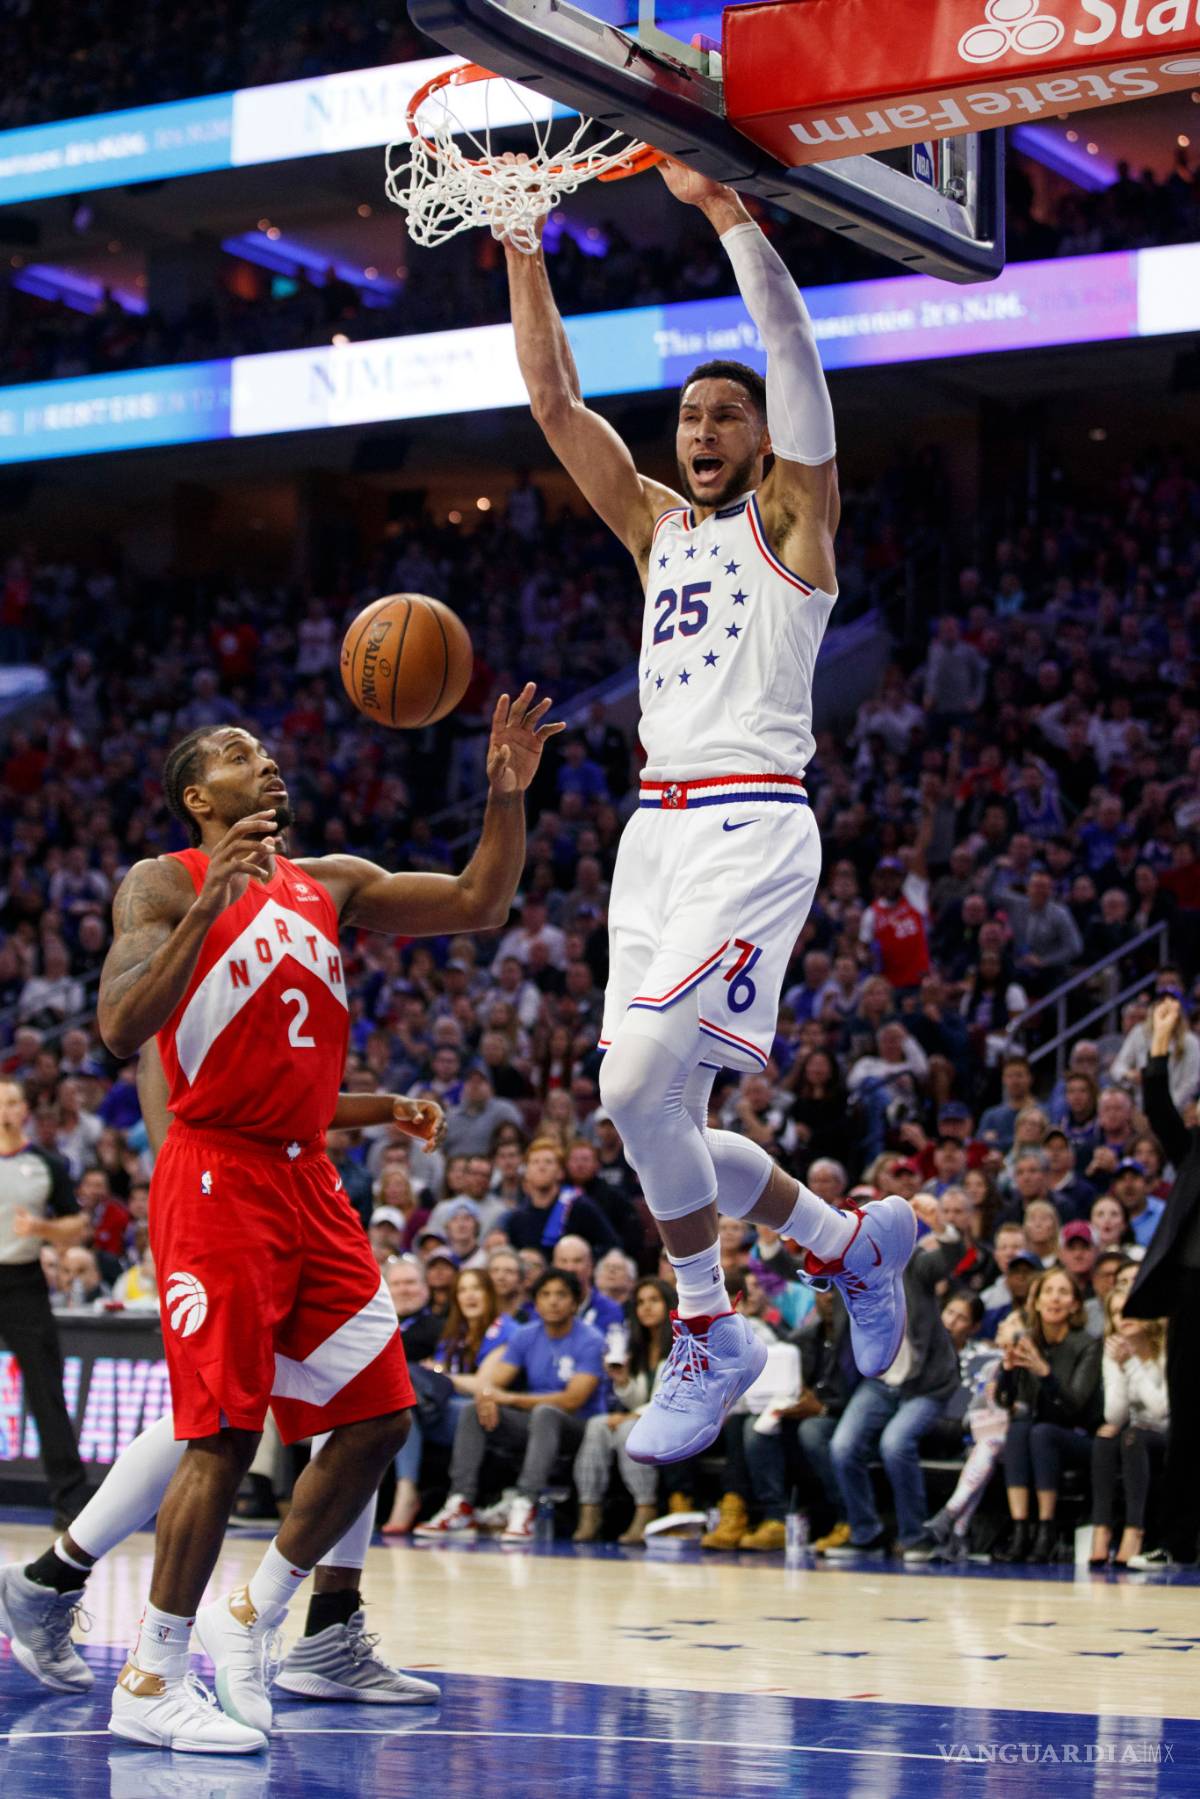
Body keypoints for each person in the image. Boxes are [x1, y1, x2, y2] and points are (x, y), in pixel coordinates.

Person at [503, 155, 915, 1469]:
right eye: (688, 414)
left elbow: (793, 343)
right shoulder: (654, 528)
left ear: (762, 439)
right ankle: (851, 1239)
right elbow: (555, 399)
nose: (700, 429)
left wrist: (727, 212)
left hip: (749, 822)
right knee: (646, 1110)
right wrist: (523, 243)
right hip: (654, 836)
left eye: (724, 415)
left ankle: (709, 1326)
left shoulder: (795, 522)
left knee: (634, 1079)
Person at [80, 695, 561, 1754]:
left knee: (383, 1411)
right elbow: (120, 1027)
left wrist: (505, 794)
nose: (270, 764)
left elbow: (482, 901)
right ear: (201, 795)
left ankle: (256, 1614)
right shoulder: (163, 882)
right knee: (220, 1434)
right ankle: (152, 1672)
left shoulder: (332, 882)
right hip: (216, 1178)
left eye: (269, 751)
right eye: (242, 756)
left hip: (308, 1180)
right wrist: (208, 915)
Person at [0, 1048, 447, 1708]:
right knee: (220, 1418)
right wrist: (181, 1170)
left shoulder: (303, 959)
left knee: (368, 1397)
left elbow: (287, 1088)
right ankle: (103, 1617)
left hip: (300, 1177)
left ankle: (327, 1625)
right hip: (218, 1182)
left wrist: (383, 1107)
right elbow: (143, 1033)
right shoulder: (198, 956)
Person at [416, 1267, 605, 1542]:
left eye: (561, 1295)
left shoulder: (590, 1339)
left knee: (546, 1413)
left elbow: (573, 1400)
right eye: (546, 1295)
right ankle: (461, 1502)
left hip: (581, 1428)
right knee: (472, 1411)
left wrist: (511, 1399)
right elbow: (493, 1382)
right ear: (535, 1302)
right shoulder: (526, 1335)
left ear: (575, 1302)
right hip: (537, 1424)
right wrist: (487, 1398)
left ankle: (525, 1504)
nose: (553, 1301)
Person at [823, 1195, 964, 1561]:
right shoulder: (848, 1270)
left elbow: (950, 1256)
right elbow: (789, 1266)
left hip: (926, 1383)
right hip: (881, 1382)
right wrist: (771, 1239)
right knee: (842, 1447)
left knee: (895, 1444)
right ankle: (865, 1532)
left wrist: (939, 1224)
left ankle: (915, 1536)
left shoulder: (913, 1263)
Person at [1123, 995, 1200, 1567]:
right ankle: (1176, 1541)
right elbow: (1156, 1104)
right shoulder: (1194, 1154)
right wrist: (1159, 1040)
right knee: (1190, 1421)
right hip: (1193, 1295)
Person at [0, 1080, 89, 1526]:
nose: (6, 1109)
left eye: (13, 1101)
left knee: (46, 1391)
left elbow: (76, 1224)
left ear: (25, 1110)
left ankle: (71, 1502)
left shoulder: (45, 1162)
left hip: (22, 1282)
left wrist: (41, 1229)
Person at [994, 1267, 1102, 1563]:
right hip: (1035, 1433)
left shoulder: (1088, 1344)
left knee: (1042, 1432)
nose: (1055, 1299)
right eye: (1048, 1292)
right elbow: (1005, 1400)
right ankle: (1020, 1529)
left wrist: (1045, 1373)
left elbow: (1076, 1406)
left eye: (1063, 1292)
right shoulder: (1028, 1340)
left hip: (1080, 1437)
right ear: (1037, 1301)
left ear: (1076, 1304)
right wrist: (1007, 1369)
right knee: (1019, 1427)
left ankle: (1046, 1528)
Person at [573, 1277, 678, 1546]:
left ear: (669, 1305)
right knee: (597, 1425)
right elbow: (639, 1399)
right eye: (641, 1302)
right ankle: (590, 1510)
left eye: (654, 1300)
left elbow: (670, 1397)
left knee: (628, 1431)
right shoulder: (640, 1347)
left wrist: (632, 1416)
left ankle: (646, 1507)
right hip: (647, 1416)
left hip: (678, 1421)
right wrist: (622, 1381)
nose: (646, 1307)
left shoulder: (682, 1343)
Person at [1088, 1267, 1169, 1569]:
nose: (1124, 1319)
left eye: (1130, 1310)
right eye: (1117, 1313)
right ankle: (1102, 1530)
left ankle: (1134, 1532)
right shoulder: (1114, 1351)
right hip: (1136, 1435)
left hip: (1171, 1435)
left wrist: (1133, 1364)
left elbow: (1163, 1411)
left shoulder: (1167, 1348)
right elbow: (1114, 1413)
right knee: (1106, 1437)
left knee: (1132, 1436)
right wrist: (1120, 1366)